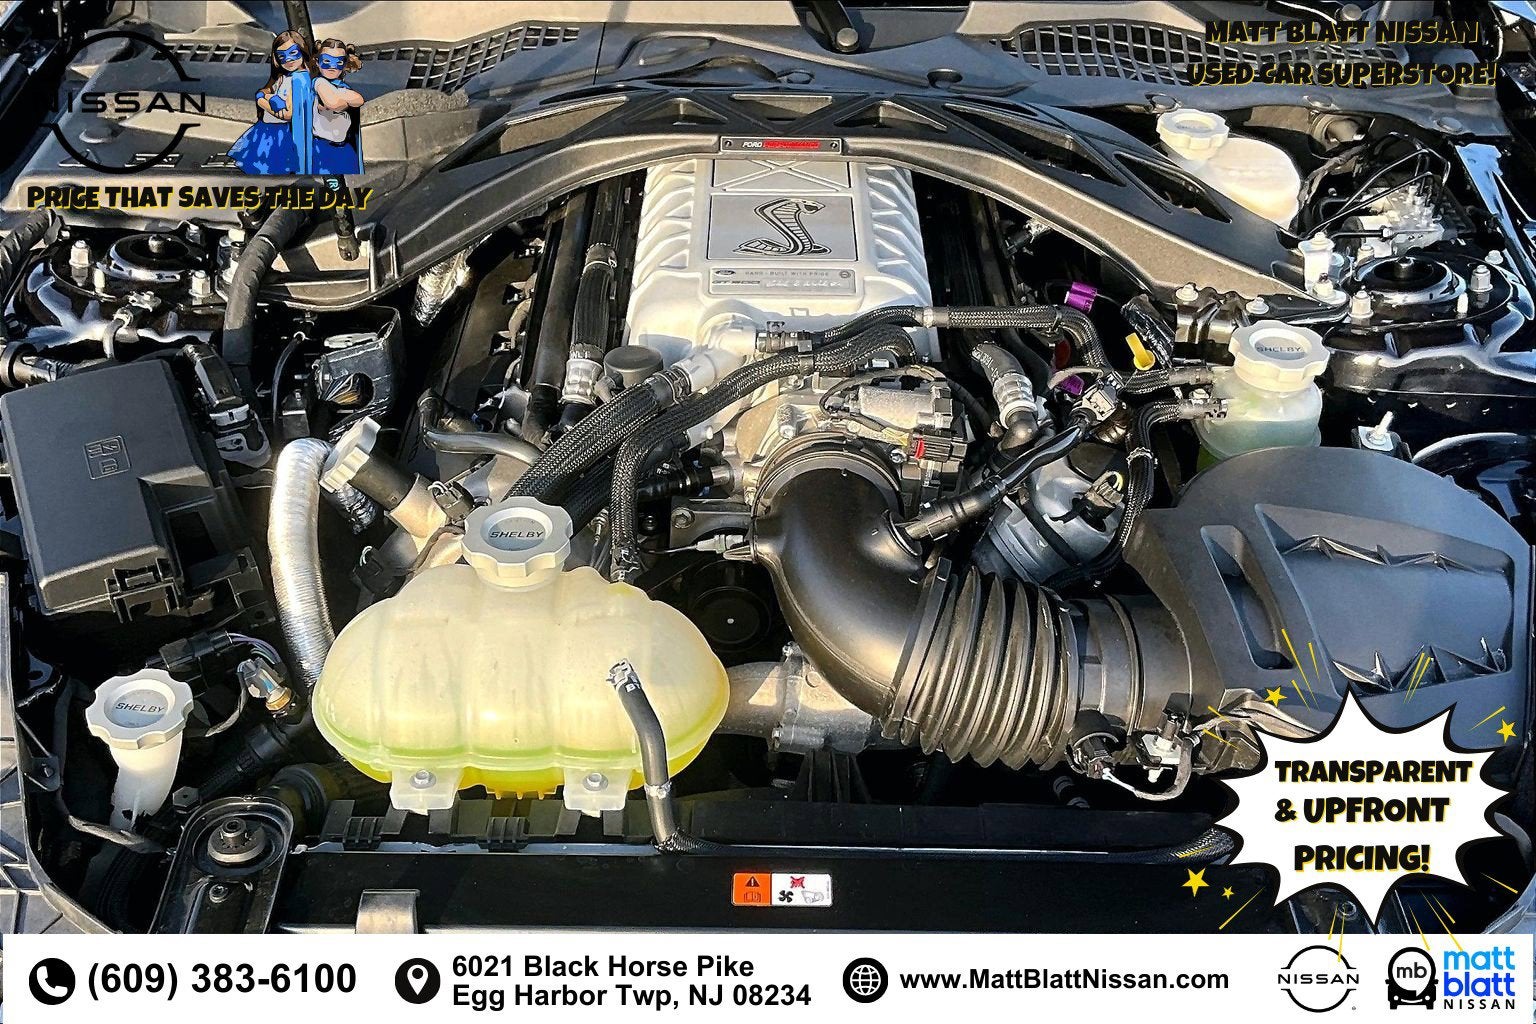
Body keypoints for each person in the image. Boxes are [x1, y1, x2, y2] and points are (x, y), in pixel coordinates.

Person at [228, 30, 317, 175]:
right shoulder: (285, 77)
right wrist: (269, 96)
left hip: (281, 134)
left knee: (273, 170)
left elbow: (288, 114)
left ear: (302, 51)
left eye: (293, 53)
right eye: (282, 56)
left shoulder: (299, 80)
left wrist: (263, 101)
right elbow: (271, 91)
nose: (288, 59)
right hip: (270, 131)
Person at [312, 38, 365, 176]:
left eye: (338, 62)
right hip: (322, 146)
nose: (332, 67)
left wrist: (340, 96)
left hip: (343, 145)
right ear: (317, 62)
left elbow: (359, 99)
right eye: (326, 61)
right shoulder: (319, 82)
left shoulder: (340, 85)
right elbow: (334, 103)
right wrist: (344, 100)